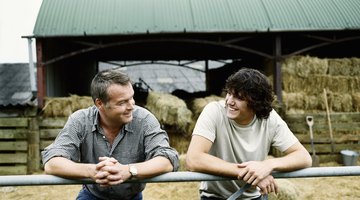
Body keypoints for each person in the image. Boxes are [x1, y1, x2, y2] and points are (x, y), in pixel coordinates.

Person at [41, 69, 179, 200]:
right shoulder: (80, 120)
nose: (131, 105)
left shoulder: (145, 120)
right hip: (92, 195)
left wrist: (128, 170)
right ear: (100, 104)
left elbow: (168, 159)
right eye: (122, 102)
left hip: (131, 197)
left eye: (131, 98)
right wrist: (93, 171)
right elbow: (52, 163)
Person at [185, 67, 312, 200]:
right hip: (215, 196)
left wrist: (267, 166)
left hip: (253, 197)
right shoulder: (214, 111)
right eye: (229, 93)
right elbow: (193, 159)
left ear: (255, 103)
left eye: (239, 97)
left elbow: (304, 157)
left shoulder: (270, 119)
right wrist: (251, 174)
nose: (229, 101)